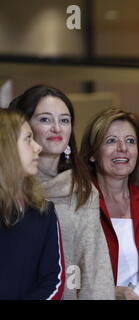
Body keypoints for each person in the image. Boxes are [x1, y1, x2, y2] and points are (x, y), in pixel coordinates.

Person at [9, 85, 115, 300]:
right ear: (24, 125)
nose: (57, 128)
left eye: (65, 120)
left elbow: (94, 270)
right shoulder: (12, 188)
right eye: (45, 119)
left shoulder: (82, 189)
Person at [80, 107, 139, 300]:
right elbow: (63, 276)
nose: (122, 148)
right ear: (92, 153)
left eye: (130, 141)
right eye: (111, 140)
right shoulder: (77, 203)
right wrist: (109, 293)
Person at [0, 109, 65, 300]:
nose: (37, 147)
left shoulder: (44, 210)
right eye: (28, 139)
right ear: (6, 147)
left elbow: (54, 279)